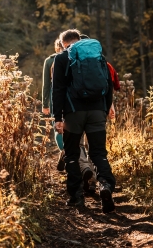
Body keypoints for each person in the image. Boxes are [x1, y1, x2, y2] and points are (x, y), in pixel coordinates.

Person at [52, 29, 116, 212]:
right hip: (97, 111)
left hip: (73, 114)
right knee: (98, 154)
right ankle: (106, 186)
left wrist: (58, 117)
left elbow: (58, 90)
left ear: (64, 44)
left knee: (72, 154)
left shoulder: (62, 58)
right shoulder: (97, 57)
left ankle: (76, 197)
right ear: (80, 40)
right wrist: (105, 108)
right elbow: (108, 84)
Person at [42, 39, 97, 186]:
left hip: (76, 108)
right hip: (64, 106)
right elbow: (48, 85)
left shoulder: (86, 58)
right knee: (67, 142)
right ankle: (71, 159)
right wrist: (45, 104)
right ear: (60, 46)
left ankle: (87, 177)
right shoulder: (51, 61)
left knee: (78, 143)